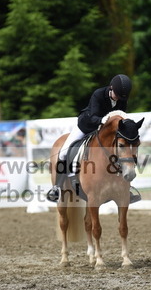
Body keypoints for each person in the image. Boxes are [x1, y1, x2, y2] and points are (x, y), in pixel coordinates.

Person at [47, 74, 136, 202]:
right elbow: (93, 116)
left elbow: (120, 119)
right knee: (63, 153)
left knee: (121, 152)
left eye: (121, 97)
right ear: (111, 88)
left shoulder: (122, 99)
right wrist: (102, 120)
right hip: (87, 126)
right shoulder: (98, 94)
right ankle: (57, 187)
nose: (118, 99)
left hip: (104, 132)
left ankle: (125, 187)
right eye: (116, 95)